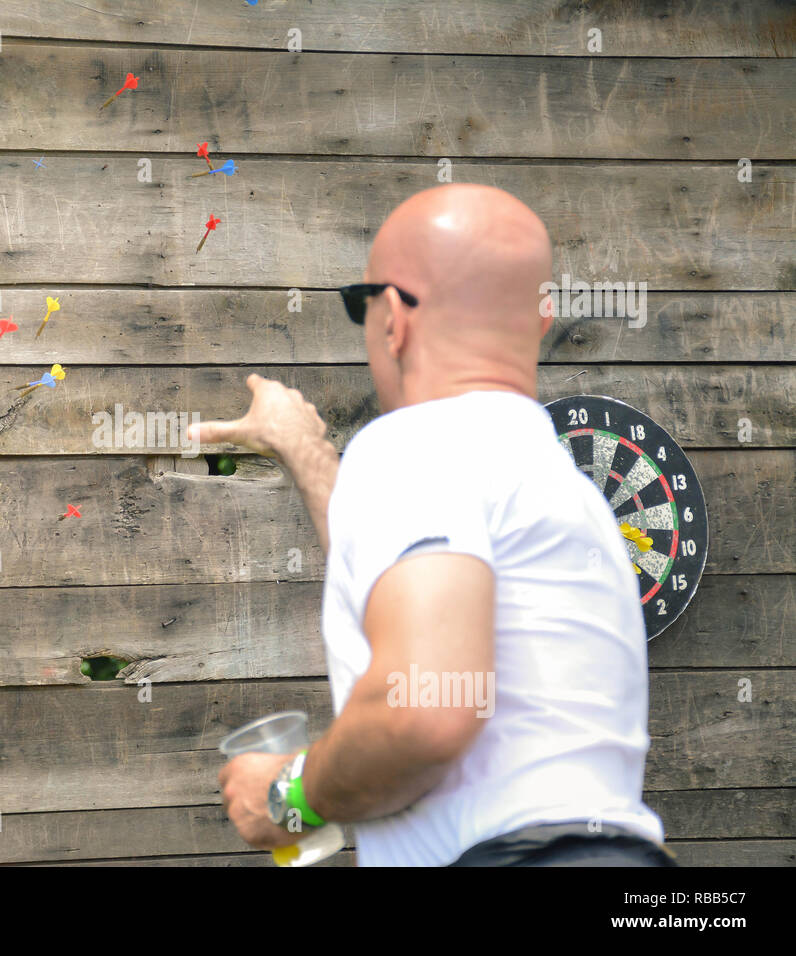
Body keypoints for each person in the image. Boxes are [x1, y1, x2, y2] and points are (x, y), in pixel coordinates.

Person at [194, 183, 675, 866]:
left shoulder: (416, 443)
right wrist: (305, 450)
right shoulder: (567, 494)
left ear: (393, 316)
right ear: (540, 322)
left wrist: (287, 795)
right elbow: (409, 586)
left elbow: (421, 713)